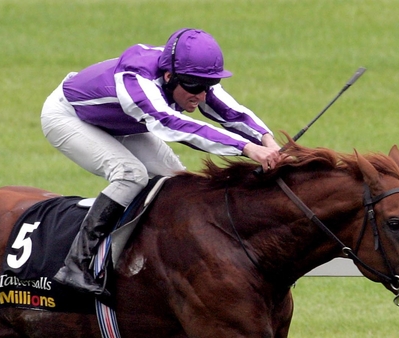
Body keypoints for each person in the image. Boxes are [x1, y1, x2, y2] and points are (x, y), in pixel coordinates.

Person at [41, 28, 282, 295]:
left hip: (120, 121)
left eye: (207, 87)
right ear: (169, 77)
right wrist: (246, 147)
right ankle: (75, 265)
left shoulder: (190, 75)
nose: (202, 95)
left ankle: (155, 258)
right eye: (195, 88)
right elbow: (173, 125)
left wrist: (267, 140)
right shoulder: (136, 79)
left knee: (176, 180)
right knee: (130, 175)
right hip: (69, 117)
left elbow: (231, 112)